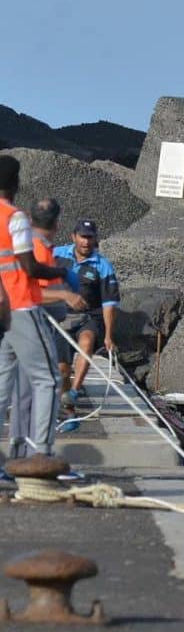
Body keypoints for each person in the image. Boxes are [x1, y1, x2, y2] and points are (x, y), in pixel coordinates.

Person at [0, 156, 74, 458]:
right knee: (48, 379)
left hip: (2, 310)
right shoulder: (14, 217)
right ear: (15, 182)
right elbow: (29, 267)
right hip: (22, 305)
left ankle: (13, 455)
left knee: (3, 386)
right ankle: (40, 453)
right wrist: (61, 273)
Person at [8, 198, 87, 448]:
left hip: (31, 321)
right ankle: (39, 449)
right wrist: (65, 294)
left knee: (23, 388)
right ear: (57, 223)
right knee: (46, 382)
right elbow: (34, 293)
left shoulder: (37, 245)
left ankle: (20, 447)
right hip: (34, 322)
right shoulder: (37, 250)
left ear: (32, 220)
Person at [54, 219, 120, 413]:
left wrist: (108, 336)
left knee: (87, 341)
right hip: (60, 318)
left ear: (95, 239)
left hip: (88, 317)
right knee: (63, 370)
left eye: (90, 238)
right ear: (73, 237)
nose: (86, 242)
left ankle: (74, 392)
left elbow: (109, 304)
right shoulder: (56, 255)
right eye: (83, 237)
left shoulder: (103, 266)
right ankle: (68, 403)